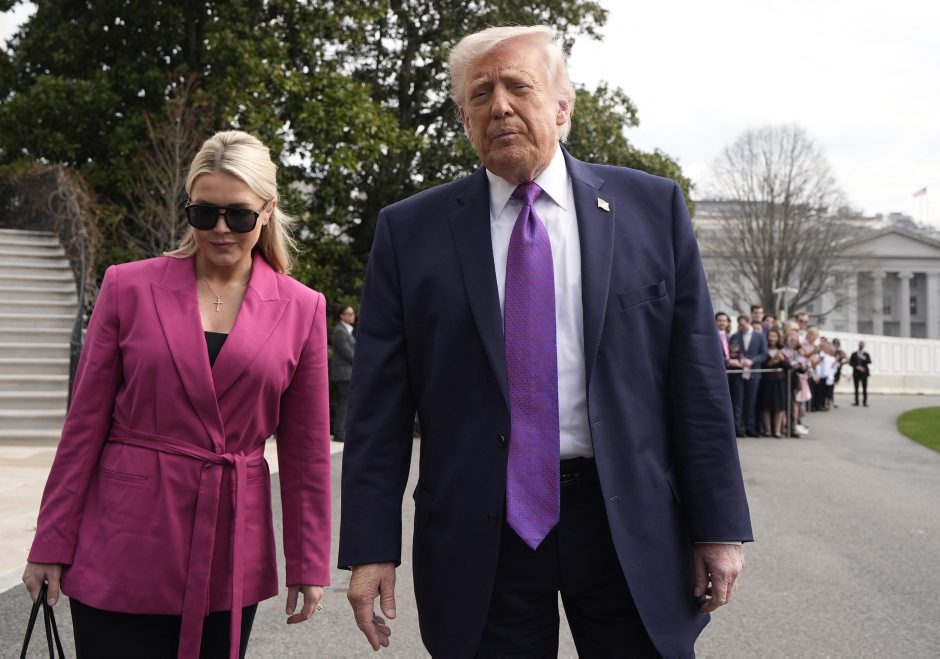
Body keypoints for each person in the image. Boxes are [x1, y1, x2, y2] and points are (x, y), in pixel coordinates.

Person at [338, 25, 752, 658]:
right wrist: (371, 547)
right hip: (483, 531)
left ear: (562, 107)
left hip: (627, 525)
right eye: (480, 94)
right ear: (464, 119)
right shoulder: (409, 232)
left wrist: (718, 528)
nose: (500, 105)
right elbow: (379, 409)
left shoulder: (652, 210)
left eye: (518, 86)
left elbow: (697, 382)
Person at [22, 131, 331, 658]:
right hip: (123, 538)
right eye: (203, 213)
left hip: (229, 541)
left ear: (267, 210)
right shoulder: (127, 287)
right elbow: (83, 428)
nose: (220, 229)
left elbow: (307, 453)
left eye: (239, 215)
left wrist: (308, 561)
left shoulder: (303, 308)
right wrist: (50, 541)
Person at [729, 314, 769, 437]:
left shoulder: (760, 336)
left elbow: (764, 354)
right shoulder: (735, 336)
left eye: (743, 324)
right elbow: (732, 352)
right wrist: (738, 359)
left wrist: (752, 361)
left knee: (751, 401)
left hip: (753, 372)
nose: (741, 327)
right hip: (739, 372)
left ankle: (750, 427)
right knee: (738, 401)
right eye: (739, 325)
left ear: (748, 322)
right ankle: (737, 428)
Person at [330, 306, 356, 442]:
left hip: (347, 373)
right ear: (342, 316)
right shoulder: (340, 331)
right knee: (344, 402)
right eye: (349, 314)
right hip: (344, 374)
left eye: (353, 314)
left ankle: (342, 431)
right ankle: (339, 432)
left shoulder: (346, 330)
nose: (352, 316)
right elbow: (348, 354)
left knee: (346, 402)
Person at [757, 328, 788, 437]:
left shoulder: (782, 350)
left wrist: (782, 359)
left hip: (779, 381)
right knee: (765, 405)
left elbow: (788, 366)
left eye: (774, 336)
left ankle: (777, 430)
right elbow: (762, 364)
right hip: (766, 380)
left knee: (779, 406)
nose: (772, 339)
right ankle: (768, 429)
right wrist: (772, 362)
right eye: (770, 336)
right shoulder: (764, 350)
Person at [850, 340, 873, 406]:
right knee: (856, 388)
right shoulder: (854, 354)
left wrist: (863, 358)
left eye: (862, 344)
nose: (861, 346)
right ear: (858, 345)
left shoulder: (866, 354)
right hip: (856, 373)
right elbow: (851, 362)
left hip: (864, 373)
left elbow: (870, 361)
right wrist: (856, 367)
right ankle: (856, 402)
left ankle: (864, 402)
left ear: (864, 346)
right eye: (860, 344)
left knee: (864, 388)